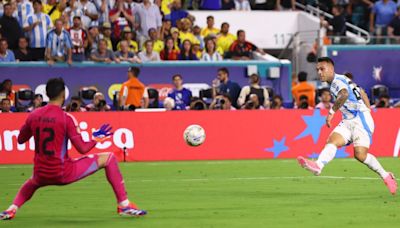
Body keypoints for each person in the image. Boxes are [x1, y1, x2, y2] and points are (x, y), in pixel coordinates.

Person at [0, 78, 147, 220]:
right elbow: (82, 148)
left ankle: (11, 209)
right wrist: (96, 139)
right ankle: (124, 205)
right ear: (64, 95)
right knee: (109, 158)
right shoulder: (66, 118)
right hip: (63, 172)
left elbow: (20, 140)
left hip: (41, 172)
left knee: (32, 183)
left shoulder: (33, 115)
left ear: (47, 93)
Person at [297, 57, 397, 195]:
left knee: (360, 155)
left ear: (331, 69)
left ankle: (386, 176)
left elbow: (344, 94)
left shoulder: (337, 82)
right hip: (348, 119)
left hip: (360, 120)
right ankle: (318, 166)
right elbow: (361, 91)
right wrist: (367, 108)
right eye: (318, 70)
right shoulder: (342, 79)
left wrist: (332, 112)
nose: (319, 72)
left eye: (322, 69)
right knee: (332, 140)